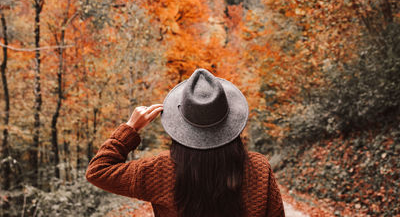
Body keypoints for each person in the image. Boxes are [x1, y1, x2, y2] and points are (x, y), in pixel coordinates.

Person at [86, 68, 285, 217]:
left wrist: (130, 128)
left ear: (181, 124)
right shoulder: (259, 168)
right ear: (231, 120)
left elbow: (98, 171)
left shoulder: (159, 170)